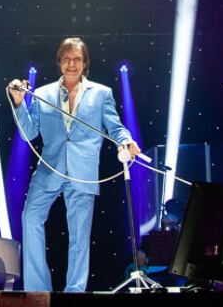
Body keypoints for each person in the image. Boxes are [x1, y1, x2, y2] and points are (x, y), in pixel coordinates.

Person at [10, 37, 140, 292]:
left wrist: (126, 141)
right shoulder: (42, 93)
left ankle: (74, 292)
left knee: (79, 237)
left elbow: (115, 127)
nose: (72, 63)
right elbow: (28, 133)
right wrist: (18, 103)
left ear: (84, 63)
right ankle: (37, 289)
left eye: (77, 59)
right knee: (30, 218)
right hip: (50, 169)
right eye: (67, 58)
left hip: (83, 174)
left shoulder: (101, 93)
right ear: (59, 62)